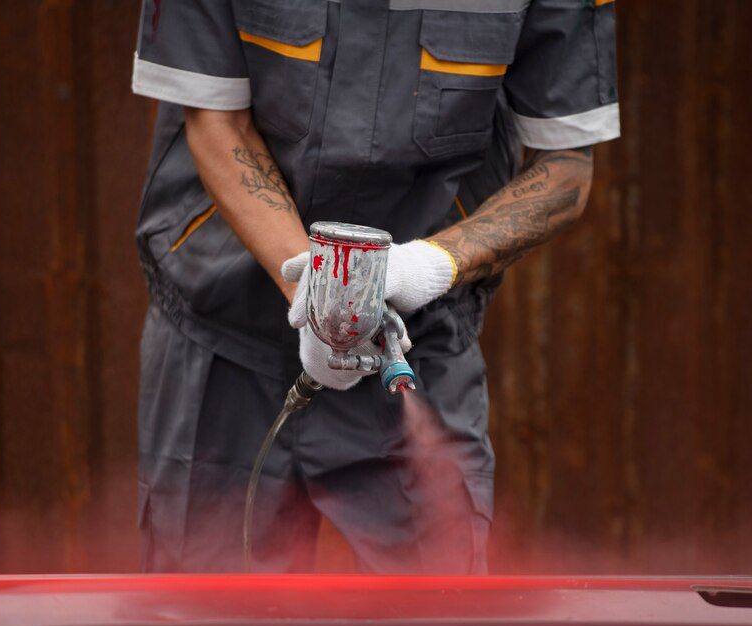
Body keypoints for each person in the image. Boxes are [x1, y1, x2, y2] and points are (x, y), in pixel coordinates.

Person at [131, 0, 619, 574]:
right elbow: (217, 121)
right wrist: (319, 297)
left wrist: (433, 264)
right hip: (223, 338)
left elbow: (565, 165)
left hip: (415, 341)